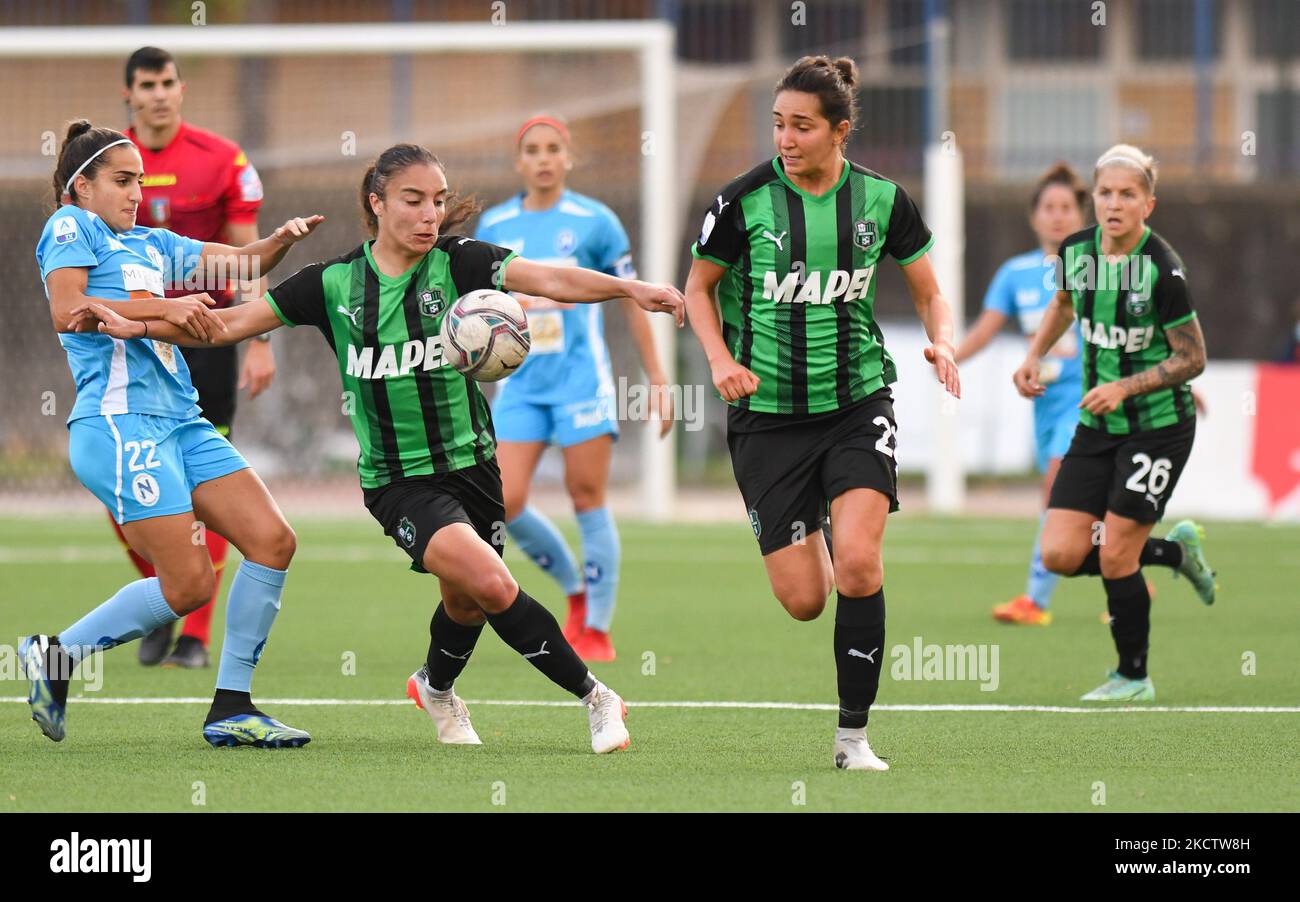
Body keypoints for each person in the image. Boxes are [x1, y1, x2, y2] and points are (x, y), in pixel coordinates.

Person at [81, 143, 686, 754]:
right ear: (377, 204)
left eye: (439, 202)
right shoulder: (332, 283)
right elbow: (232, 323)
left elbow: (551, 277)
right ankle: (597, 698)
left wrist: (629, 289)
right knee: (493, 584)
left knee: (468, 602)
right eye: (413, 200)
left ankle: (436, 688)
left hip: (474, 466)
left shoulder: (462, 264)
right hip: (399, 483)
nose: (430, 214)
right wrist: (138, 323)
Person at [684, 56, 960, 771]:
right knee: (806, 599)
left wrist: (942, 340)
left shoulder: (881, 200)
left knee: (861, 566)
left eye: (801, 126)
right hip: (767, 418)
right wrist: (719, 361)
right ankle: (822, 516)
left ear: (840, 130)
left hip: (856, 402)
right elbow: (698, 289)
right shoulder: (742, 202)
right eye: (778, 124)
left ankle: (852, 740)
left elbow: (930, 288)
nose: (785, 138)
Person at [26, 120, 322, 747]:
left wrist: (280, 240)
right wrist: (164, 308)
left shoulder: (152, 243)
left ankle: (233, 709)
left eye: (140, 180)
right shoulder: (71, 226)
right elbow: (67, 309)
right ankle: (58, 655)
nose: (137, 192)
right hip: (118, 423)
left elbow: (243, 263)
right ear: (81, 185)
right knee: (189, 585)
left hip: (181, 422)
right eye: (122, 181)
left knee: (272, 540)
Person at [1013, 144, 1218, 702]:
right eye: (1105, 192)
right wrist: (1034, 355)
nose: (1114, 203)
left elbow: (1192, 358)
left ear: (1148, 204)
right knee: (1059, 552)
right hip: (1099, 426)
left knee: (1116, 554)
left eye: (1128, 194)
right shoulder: (1076, 251)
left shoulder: (1163, 269)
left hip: (1158, 427)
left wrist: (1125, 386)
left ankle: (1134, 676)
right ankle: (1175, 554)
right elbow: (1062, 303)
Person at [475, 114, 673, 663]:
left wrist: (659, 379)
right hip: (519, 388)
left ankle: (598, 627)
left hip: (581, 384)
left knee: (587, 496)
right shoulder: (496, 224)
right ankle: (575, 589)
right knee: (505, 503)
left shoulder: (597, 222)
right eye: (532, 149)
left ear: (568, 157)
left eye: (553, 148)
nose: (543, 158)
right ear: (519, 161)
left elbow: (632, 301)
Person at [120, 45, 278, 669]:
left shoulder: (222, 159)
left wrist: (259, 339)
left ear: (181, 89)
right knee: (123, 490)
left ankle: (196, 633)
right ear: (128, 96)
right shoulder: (105, 165)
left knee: (205, 483)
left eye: (167, 82)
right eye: (146, 84)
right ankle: (169, 591)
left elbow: (244, 255)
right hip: (128, 343)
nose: (158, 93)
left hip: (206, 342)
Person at [955, 163, 1088, 626]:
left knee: (1057, 487)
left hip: (1089, 402)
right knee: (1075, 497)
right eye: (1048, 208)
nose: (1057, 216)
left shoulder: (1098, 270)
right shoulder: (1016, 274)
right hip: (1044, 407)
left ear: (1080, 215)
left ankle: (1036, 600)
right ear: (1034, 217)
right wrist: (949, 356)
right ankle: (1129, 573)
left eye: (1066, 208)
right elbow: (986, 330)